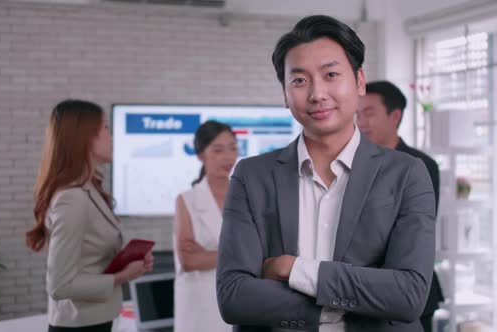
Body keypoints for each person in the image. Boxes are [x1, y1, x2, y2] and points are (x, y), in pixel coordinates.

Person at [216, 15, 436, 332]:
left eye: (331, 74)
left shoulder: (407, 173)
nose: (317, 93)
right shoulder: (252, 177)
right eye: (300, 80)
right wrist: (350, 303)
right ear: (285, 94)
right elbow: (234, 296)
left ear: (359, 81)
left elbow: (408, 296)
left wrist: (293, 270)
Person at [26, 100, 153, 332]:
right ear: (84, 137)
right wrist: (121, 277)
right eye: (105, 128)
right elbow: (60, 285)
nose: (112, 136)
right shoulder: (71, 198)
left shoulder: (89, 189)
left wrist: (129, 264)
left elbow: (91, 261)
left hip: (96, 320)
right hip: (79, 326)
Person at [357, 80, 445, 332]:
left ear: (394, 116)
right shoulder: (353, 163)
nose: (361, 122)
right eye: (358, 114)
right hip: (360, 294)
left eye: (369, 113)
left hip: (409, 293)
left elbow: (415, 231)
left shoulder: (421, 165)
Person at [173, 120, 237, 332]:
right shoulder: (187, 200)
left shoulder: (246, 196)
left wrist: (211, 256)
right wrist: (241, 256)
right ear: (200, 155)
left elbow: (265, 252)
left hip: (238, 301)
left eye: (233, 148)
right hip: (199, 307)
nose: (228, 157)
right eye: (218, 150)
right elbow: (189, 260)